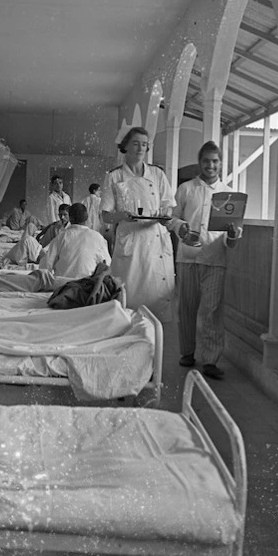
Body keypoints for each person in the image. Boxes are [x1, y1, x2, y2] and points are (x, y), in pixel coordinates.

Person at [167, 140, 243, 380]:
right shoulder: (186, 189)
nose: (211, 165)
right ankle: (187, 353)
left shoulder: (229, 194)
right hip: (188, 258)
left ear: (220, 164)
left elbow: (233, 238)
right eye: (206, 160)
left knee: (212, 310)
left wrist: (232, 234)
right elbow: (171, 217)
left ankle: (211, 359)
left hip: (215, 258)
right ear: (200, 162)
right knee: (187, 308)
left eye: (215, 161)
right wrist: (180, 227)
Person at [100, 126, 175, 322]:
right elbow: (106, 216)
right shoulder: (114, 176)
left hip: (155, 242)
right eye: (135, 143)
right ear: (125, 146)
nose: (140, 148)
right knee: (128, 301)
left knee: (156, 304)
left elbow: (168, 206)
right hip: (130, 243)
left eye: (144, 144)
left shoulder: (157, 175)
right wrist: (122, 216)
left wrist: (163, 214)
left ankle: (154, 342)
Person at [39, 202, 112, 279]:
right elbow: (107, 265)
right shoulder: (98, 237)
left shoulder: (61, 237)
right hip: (87, 286)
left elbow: (46, 265)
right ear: (87, 217)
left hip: (63, 285)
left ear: (70, 218)